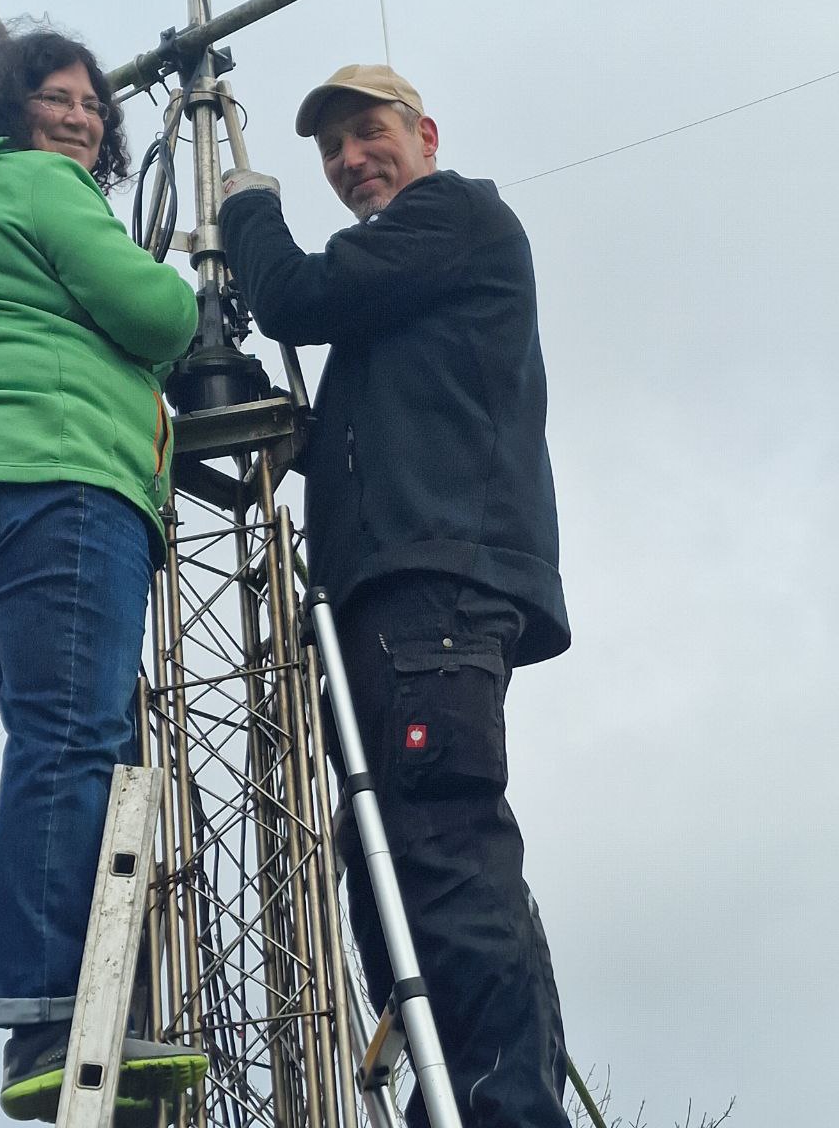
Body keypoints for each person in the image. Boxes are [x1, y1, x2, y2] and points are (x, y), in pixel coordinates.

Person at [219, 64, 573, 1127]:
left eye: (368, 133)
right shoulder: (406, 299)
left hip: (436, 591)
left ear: (423, 131)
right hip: (396, 594)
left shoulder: (452, 216)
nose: (349, 160)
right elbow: (383, 424)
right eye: (332, 150)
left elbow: (294, 294)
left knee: (441, 848)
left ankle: (507, 1105)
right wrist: (306, 444)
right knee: (394, 873)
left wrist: (247, 210)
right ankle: (463, 1093)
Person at [0, 29, 207, 1121]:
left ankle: (92, 1016)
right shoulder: (42, 186)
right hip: (60, 477)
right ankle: (45, 1020)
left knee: (89, 741)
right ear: (11, 108)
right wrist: (172, 318)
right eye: (57, 98)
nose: (81, 117)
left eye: (92, 106)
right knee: (73, 740)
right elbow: (159, 312)